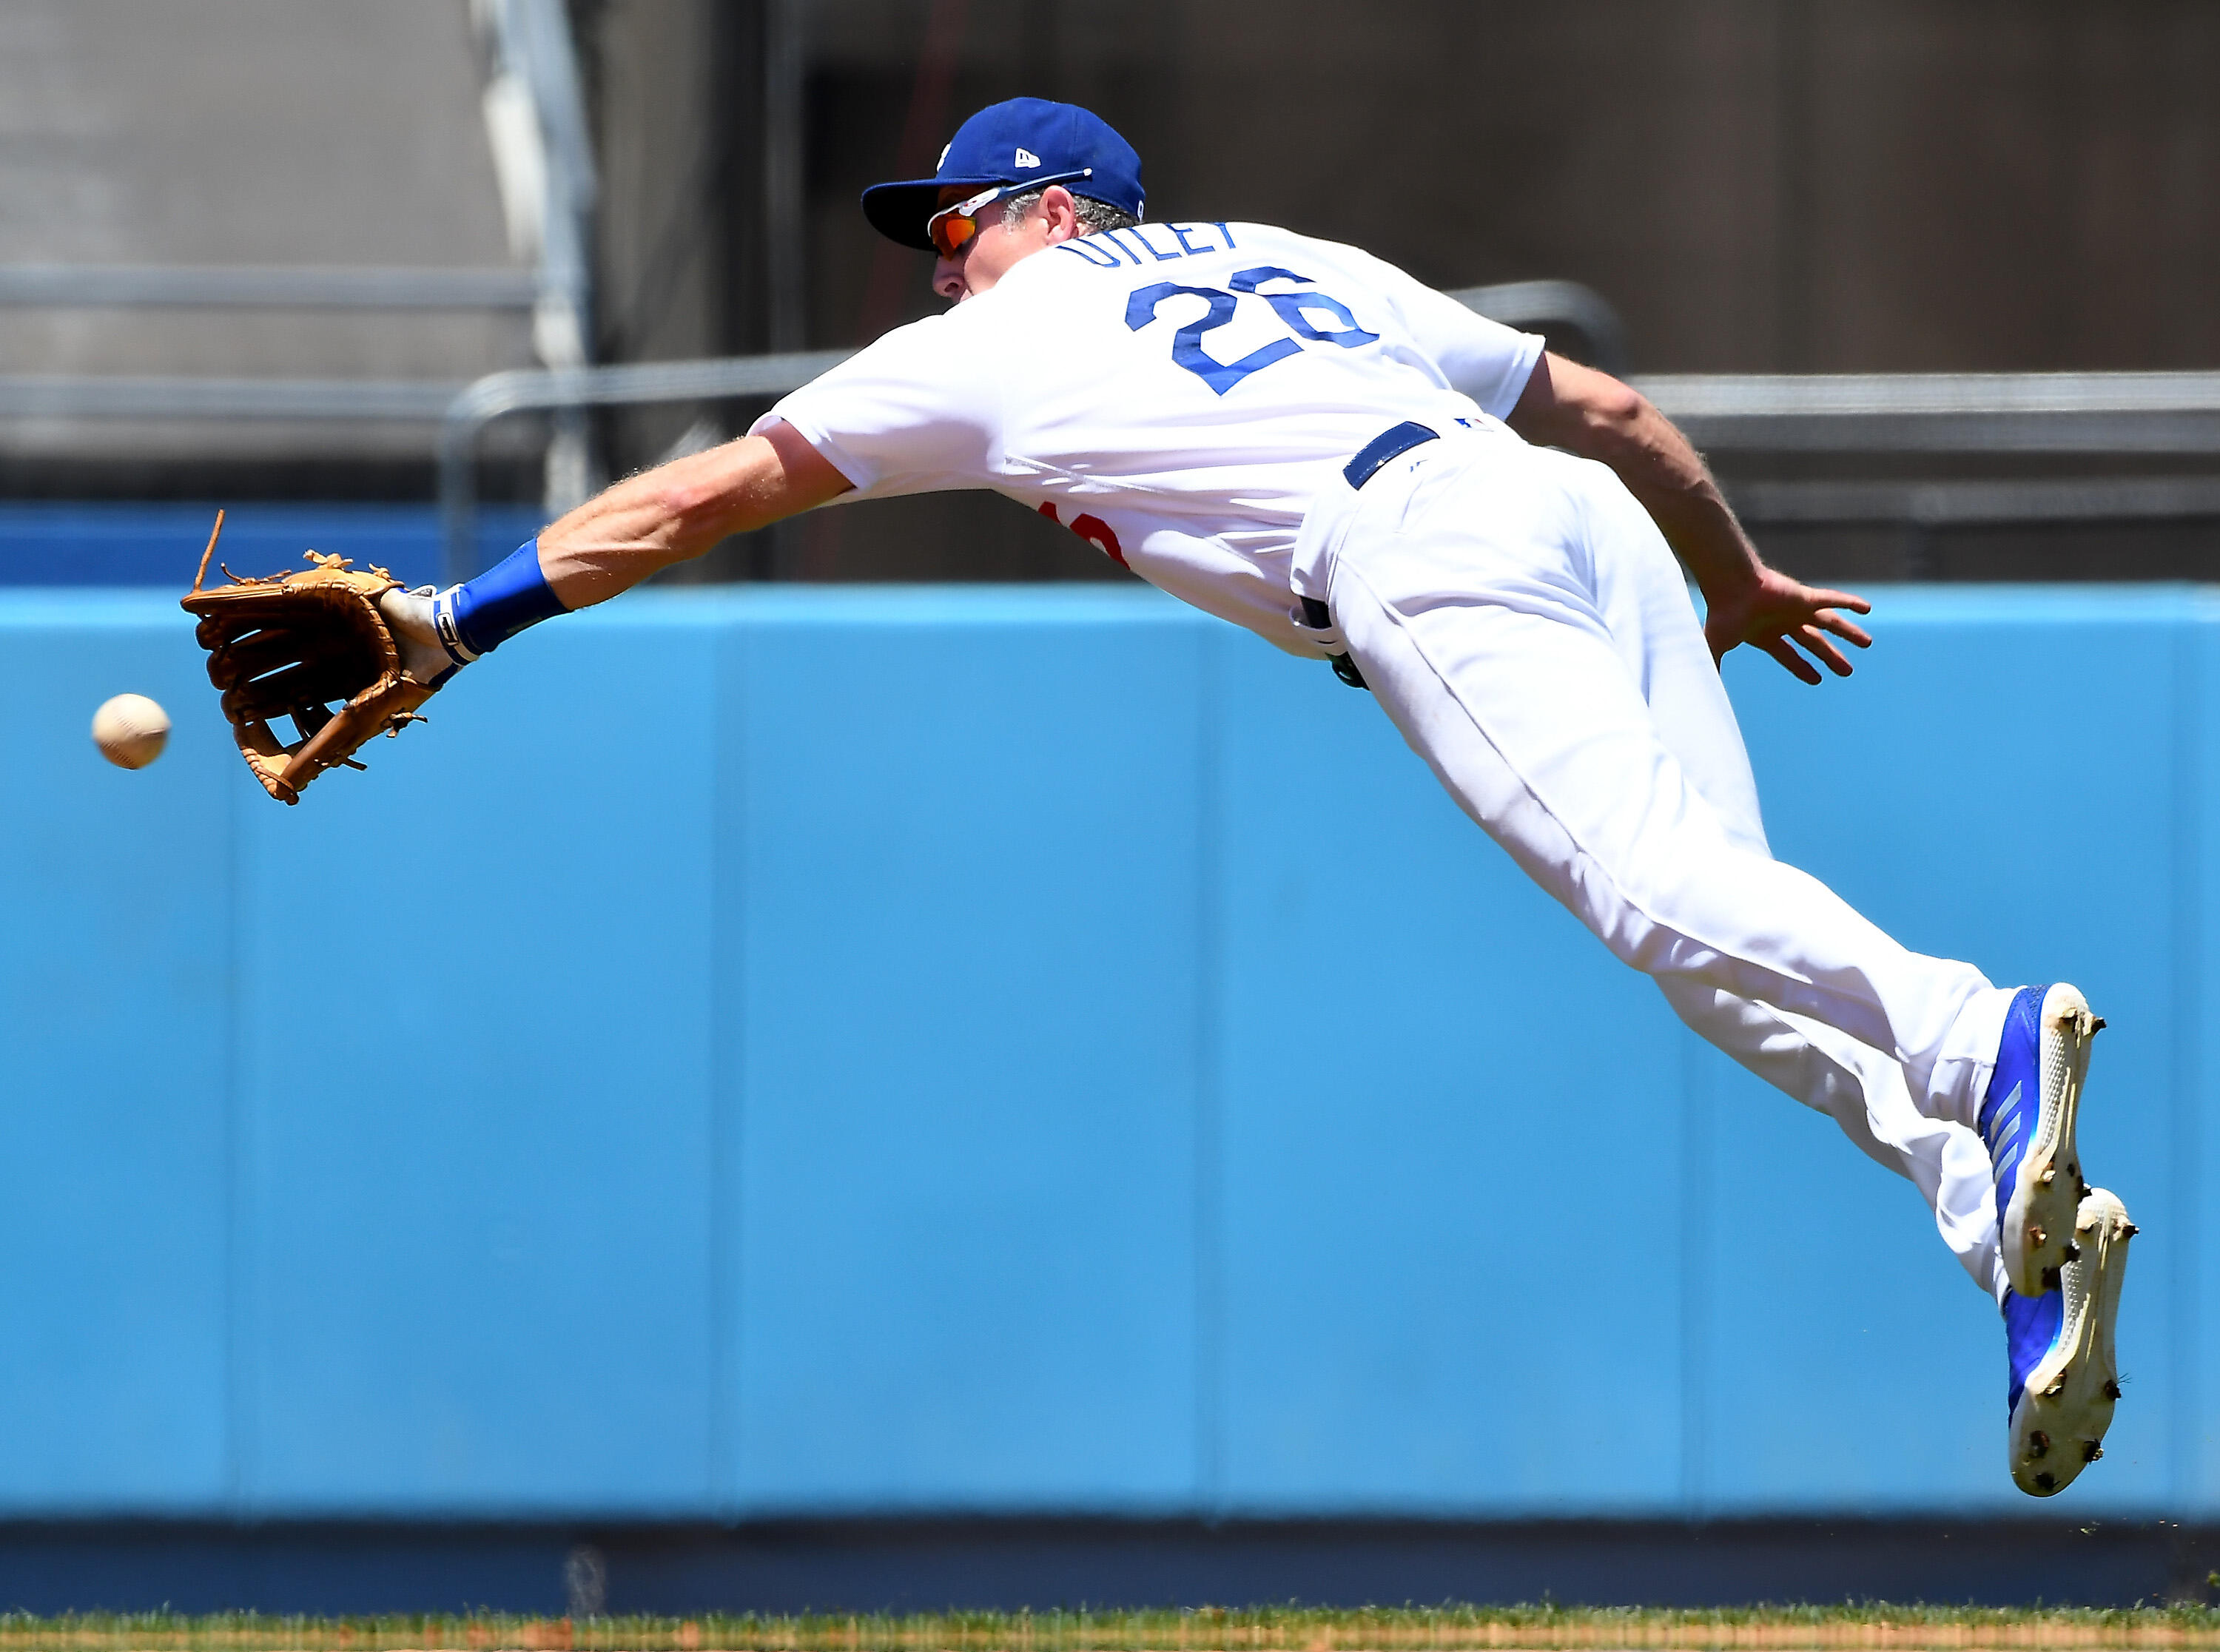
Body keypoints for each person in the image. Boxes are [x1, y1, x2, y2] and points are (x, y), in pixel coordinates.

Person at [385, 98, 2133, 1495]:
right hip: (1569, 514)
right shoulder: (1298, 257)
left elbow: (701, 497)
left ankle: (1973, 1037)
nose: (940, 268)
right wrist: (1732, 579)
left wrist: (461, 618)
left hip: (1413, 552)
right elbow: (1601, 400)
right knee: (1717, 949)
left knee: (1656, 893)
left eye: (957, 224)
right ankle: (2011, 1242)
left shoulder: (1005, 333)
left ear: (1056, 211)